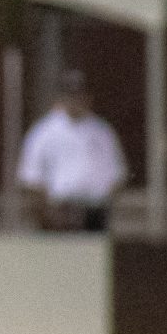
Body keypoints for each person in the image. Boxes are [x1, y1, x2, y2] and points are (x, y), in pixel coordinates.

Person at [19, 70, 127, 231]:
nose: (75, 100)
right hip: (58, 212)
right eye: (71, 95)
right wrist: (47, 214)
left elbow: (117, 176)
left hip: (93, 213)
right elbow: (31, 178)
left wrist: (102, 205)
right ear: (61, 97)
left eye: (80, 95)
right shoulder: (44, 131)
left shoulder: (101, 131)